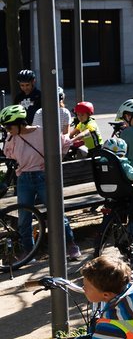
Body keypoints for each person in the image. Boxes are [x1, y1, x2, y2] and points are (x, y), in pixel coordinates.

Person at [0, 104, 80, 261]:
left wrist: (53, 163)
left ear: (20, 122)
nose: (7, 130)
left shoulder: (42, 132)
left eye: (9, 127)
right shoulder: (12, 138)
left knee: (56, 213)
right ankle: (29, 252)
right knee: (24, 217)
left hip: (43, 177)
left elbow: (64, 143)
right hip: (24, 178)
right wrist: (10, 140)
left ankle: (71, 245)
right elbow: (8, 154)